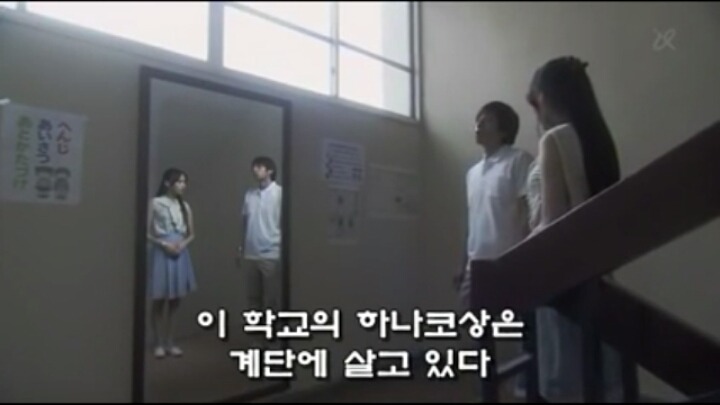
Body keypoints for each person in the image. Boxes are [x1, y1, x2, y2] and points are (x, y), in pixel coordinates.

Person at [525, 55, 624, 402]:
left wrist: (515, 260)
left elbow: (552, 222)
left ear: (545, 96)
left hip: (559, 273)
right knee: (600, 375)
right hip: (598, 268)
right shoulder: (599, 140)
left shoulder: (554, 139)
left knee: (565, 377)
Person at [454, 101, 534, 399]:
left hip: (511, 262)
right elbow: (472, 222)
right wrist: (462, 264)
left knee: (526, 327)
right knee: (478, 328)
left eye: (486, 121)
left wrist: (526, 256)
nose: (478, 125)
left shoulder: (518, 160)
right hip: (477, 264)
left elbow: (529, 211)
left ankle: (529, 385)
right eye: (477, 120)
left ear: (503, 130)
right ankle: (489, 388)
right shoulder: (472, 173)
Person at [147, 168, 197, 359]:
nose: (183, 185)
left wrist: (182, 244)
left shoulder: (185, 206)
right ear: (168, 183)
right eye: (179, 181)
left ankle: (170, 342)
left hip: (180, 251)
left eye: (184, 182)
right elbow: (146, 231)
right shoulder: (155, 203)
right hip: (162, 250)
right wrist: (163, 244)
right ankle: (158, 343)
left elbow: (192, 233)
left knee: (176, 301)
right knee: (159, 299)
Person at [237, 156, 282, 318]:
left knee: (271, 300)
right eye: (254, 167)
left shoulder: (280, 193)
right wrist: (240, 247)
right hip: (251, 253)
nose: (255, 170)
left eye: (259, 167)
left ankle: (271, 332)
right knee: (253, 300)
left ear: (270, 171)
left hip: (271, 253)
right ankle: (256, 332)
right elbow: (245, 222)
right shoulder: (250, 194)